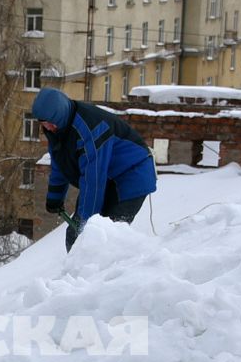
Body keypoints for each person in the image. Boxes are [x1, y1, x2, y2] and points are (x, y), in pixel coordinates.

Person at [31, 86, 158, 250]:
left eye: (49, 123)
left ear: (59, 115)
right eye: (43, 123)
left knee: (107, 237)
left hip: (132, 177)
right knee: (74, 235)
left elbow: (93, 181)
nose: (46, 127)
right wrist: (55, 197)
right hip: (108, 179)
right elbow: (59, 162)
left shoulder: (89, 130)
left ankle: (113, 273)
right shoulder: (59, 129)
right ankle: (79, 273)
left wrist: (85, 223)